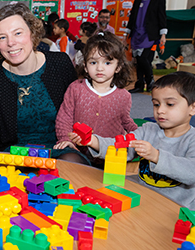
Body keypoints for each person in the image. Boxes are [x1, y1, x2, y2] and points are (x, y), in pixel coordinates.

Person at [0, 3, 89, 165]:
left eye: (17, 33)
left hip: (59, 147)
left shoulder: (60, 64)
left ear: (32, 33)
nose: (10, 43)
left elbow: (78, 111)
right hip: (14, 153)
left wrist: (75, 140)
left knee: (70, 163)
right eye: (2, 37)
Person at [70, 71, 195, 209]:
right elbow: (120, 145)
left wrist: (156, 156)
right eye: (156, 104)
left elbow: (191, 173)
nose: (160, 110)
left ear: (192, 108)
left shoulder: (192, 139)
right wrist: (93, 141)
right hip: (143, 195)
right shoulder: (148, 130)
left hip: (175, 207)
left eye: (170, 104)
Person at [54, 31, 138, 166]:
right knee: (66, 163)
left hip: (109, 153)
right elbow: (64, 118)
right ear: (86, 66)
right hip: (79, 150)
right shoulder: (76, 88)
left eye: (107, 63)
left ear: (118, 67)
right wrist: (65, 139)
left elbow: (126, 121)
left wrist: (140, 137)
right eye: (93, 62)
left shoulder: (123, 96)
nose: (99, 68)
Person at [126, 0, 167, 93]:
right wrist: (127, 33)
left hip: (149, 35)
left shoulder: (158, 1)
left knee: (142, 58)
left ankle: (150, 81)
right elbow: (132, 17)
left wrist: (163, 34)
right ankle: (139, 84)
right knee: (138, 59)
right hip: (136, 34)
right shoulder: (137, 1)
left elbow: (162, 16)